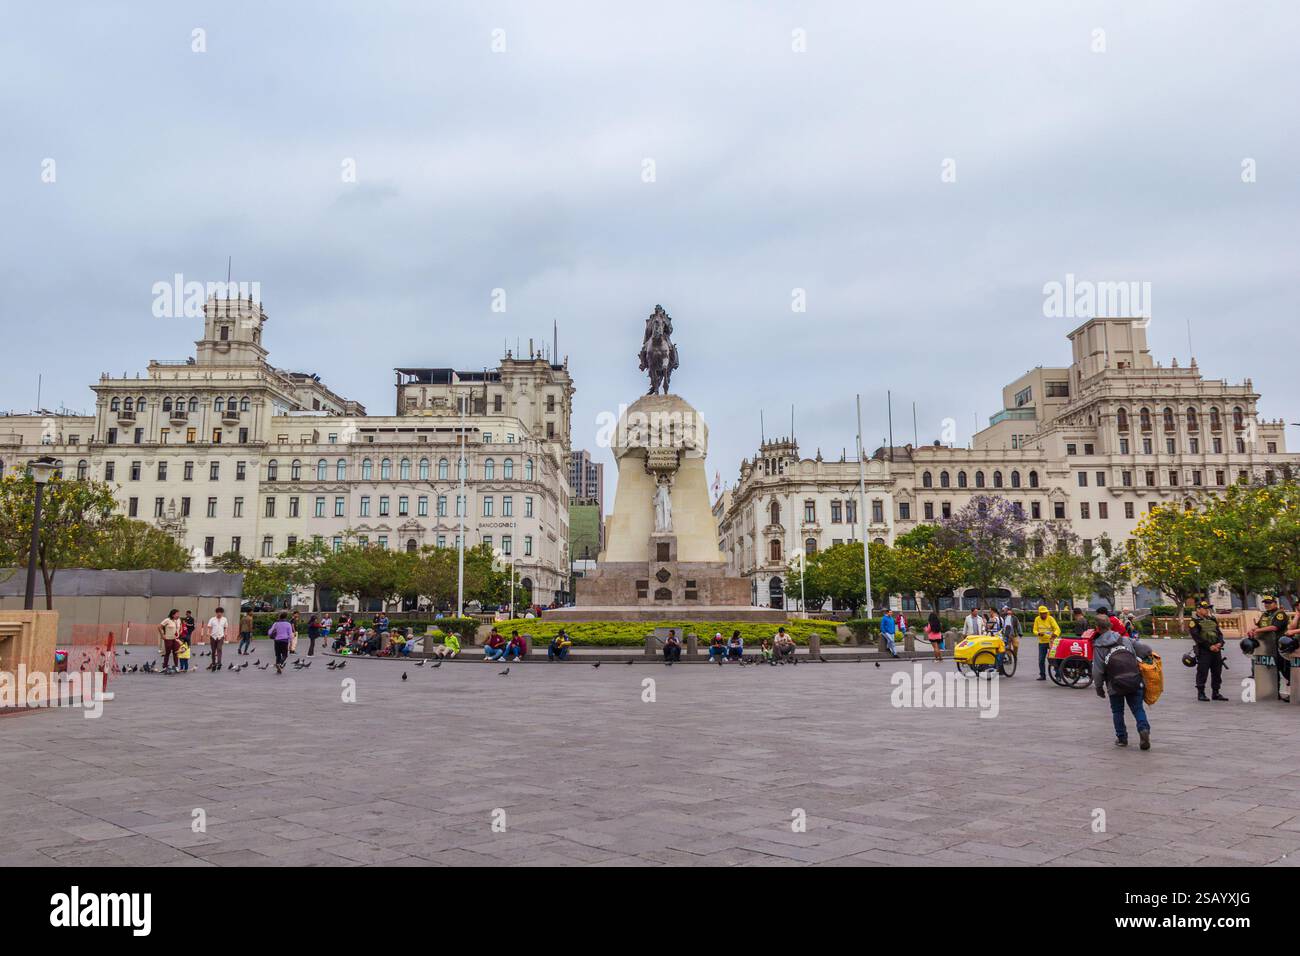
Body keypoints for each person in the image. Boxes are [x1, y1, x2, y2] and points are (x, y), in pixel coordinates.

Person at [1091, 611, 1154, 749]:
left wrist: (1099, 687)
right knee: (1138, 709)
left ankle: (1122, 738)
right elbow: (1147, 649)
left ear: (1097, 628)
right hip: (1134, 679)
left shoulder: (1099, 646)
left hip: (1114, 684)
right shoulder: (1125, 639)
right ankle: (1143, 730)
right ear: (1110, 626)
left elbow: (1097, 670)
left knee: (1117, 711)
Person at [1247, 595, 1291, 701]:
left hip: (1278, 646)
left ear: (1275, 603)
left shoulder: (1280, 614)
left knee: (1285, 670)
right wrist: (1253, 629)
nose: (1266, 605)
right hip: (1267, 647)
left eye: (1269, 603)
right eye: (1265, 603)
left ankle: (1293, 691)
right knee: (1271, 670)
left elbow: (1274, 627)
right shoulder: (1265, 614)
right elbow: (1260, 625)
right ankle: (1274, 692)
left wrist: (1258, 631)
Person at [1189, 600, 1228, 701]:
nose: (1207, 610)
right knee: (1202, 672)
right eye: (1205, 608)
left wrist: (1220, 643)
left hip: (1216, 650)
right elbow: (1197, 637)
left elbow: (1219, 633)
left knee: (1217, 672)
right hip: (1204, 651)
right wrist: (1209, 646)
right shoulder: (1194, 622)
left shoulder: (1212, 619)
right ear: (1198, 609)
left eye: (1208, 608)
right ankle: (1201, 693)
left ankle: (1216, 692)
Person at [1032, 605, 1060, 681]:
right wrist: (1038, 633)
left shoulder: (1050, 618)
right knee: (1041, 659)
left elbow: (1057, 629)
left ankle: (1058, 675)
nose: (1044, 614)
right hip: (1042, 642)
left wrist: (1055, 634)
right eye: (1042, 613)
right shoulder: (1037, 619)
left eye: (1045, 613)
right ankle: (1042, 675)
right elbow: (1034, 630)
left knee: (1053, 658)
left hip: (1051, 641)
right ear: (1039, 613)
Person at [158, 609, 182, 674]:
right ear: (173, 614)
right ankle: (165, 667)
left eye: (178, 614)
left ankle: (176, 666)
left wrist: (180, 632)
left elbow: (180, 627)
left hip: (176, 639)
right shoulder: (167, 620)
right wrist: (162, 635)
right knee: (167, 653)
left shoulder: (179, 620)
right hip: (168, 639)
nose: (178, 615)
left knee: (176, 652)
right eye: (177, 614)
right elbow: (159, 627)